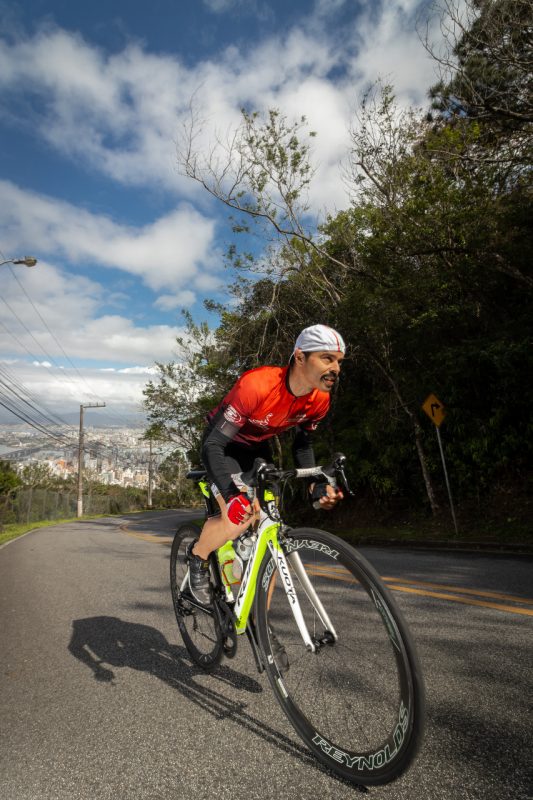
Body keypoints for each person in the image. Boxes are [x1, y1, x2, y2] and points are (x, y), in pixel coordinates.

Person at [187, 324, 346, 607]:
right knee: (240, 516)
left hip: (258, 449)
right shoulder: (257, 385)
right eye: (326, 358)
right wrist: (231, 494)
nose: (335, 368)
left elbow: (303, 445)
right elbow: (213, 445)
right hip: (225, 445)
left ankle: (259, 622)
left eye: (339, 361)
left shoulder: (319, 400)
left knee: (268, 530)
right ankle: (198, 557)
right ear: (299, 357)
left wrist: (316, 485)